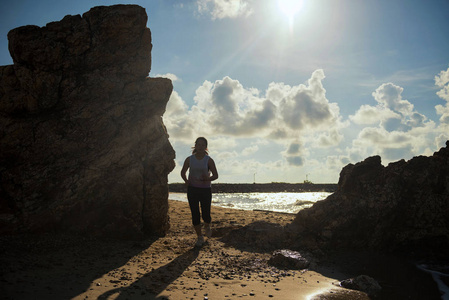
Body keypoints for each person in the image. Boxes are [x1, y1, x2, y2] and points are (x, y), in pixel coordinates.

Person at [180, 137, 219, 247]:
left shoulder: (209, 160)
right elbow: (183, 172)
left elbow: (216, 175)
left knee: (206, 214)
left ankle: (207, 225)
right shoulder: (189, 159)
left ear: (205, 147)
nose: (200, 147)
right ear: (195, 146)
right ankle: (199, 237)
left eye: (203, 145)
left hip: (206, 190)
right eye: (198, 144)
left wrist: (208, 179)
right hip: (192, 189)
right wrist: (186, 181)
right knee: (195, 213)